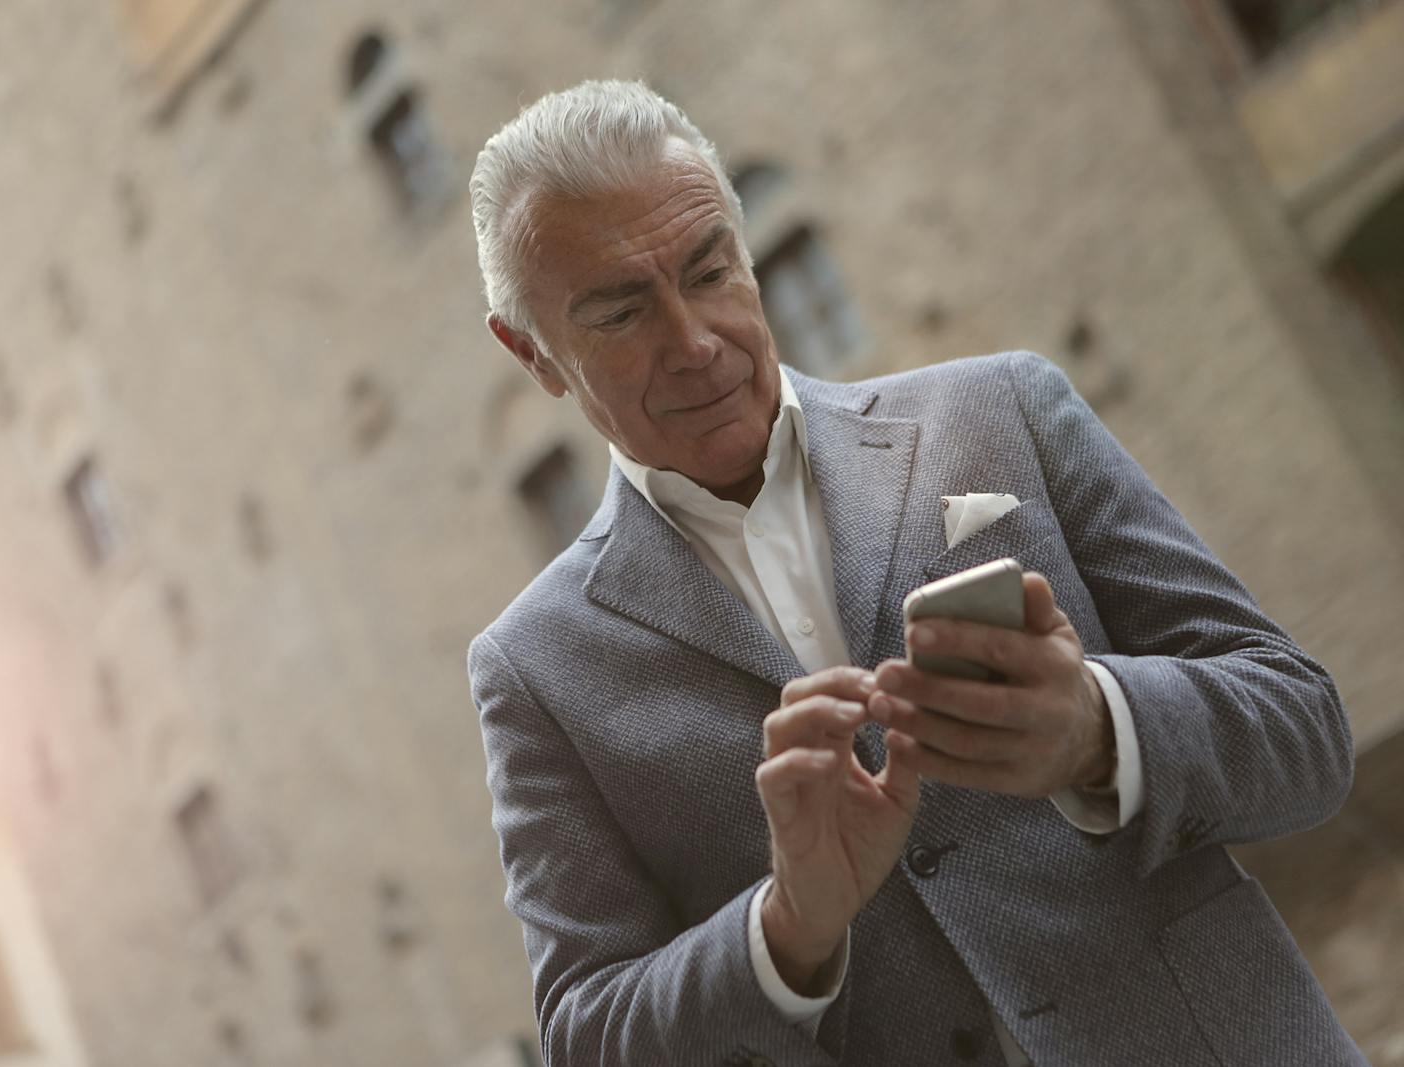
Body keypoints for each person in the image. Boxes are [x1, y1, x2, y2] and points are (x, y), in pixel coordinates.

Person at [465, 80, 1360, 1067]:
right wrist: (787, 925)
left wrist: (1098, 728)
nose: (694, 340)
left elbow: (1306, 728)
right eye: (622, 313)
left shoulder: (1002, 409)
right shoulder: (533, 669)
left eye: (708, 268)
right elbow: (590, 1036)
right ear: (533, 354)